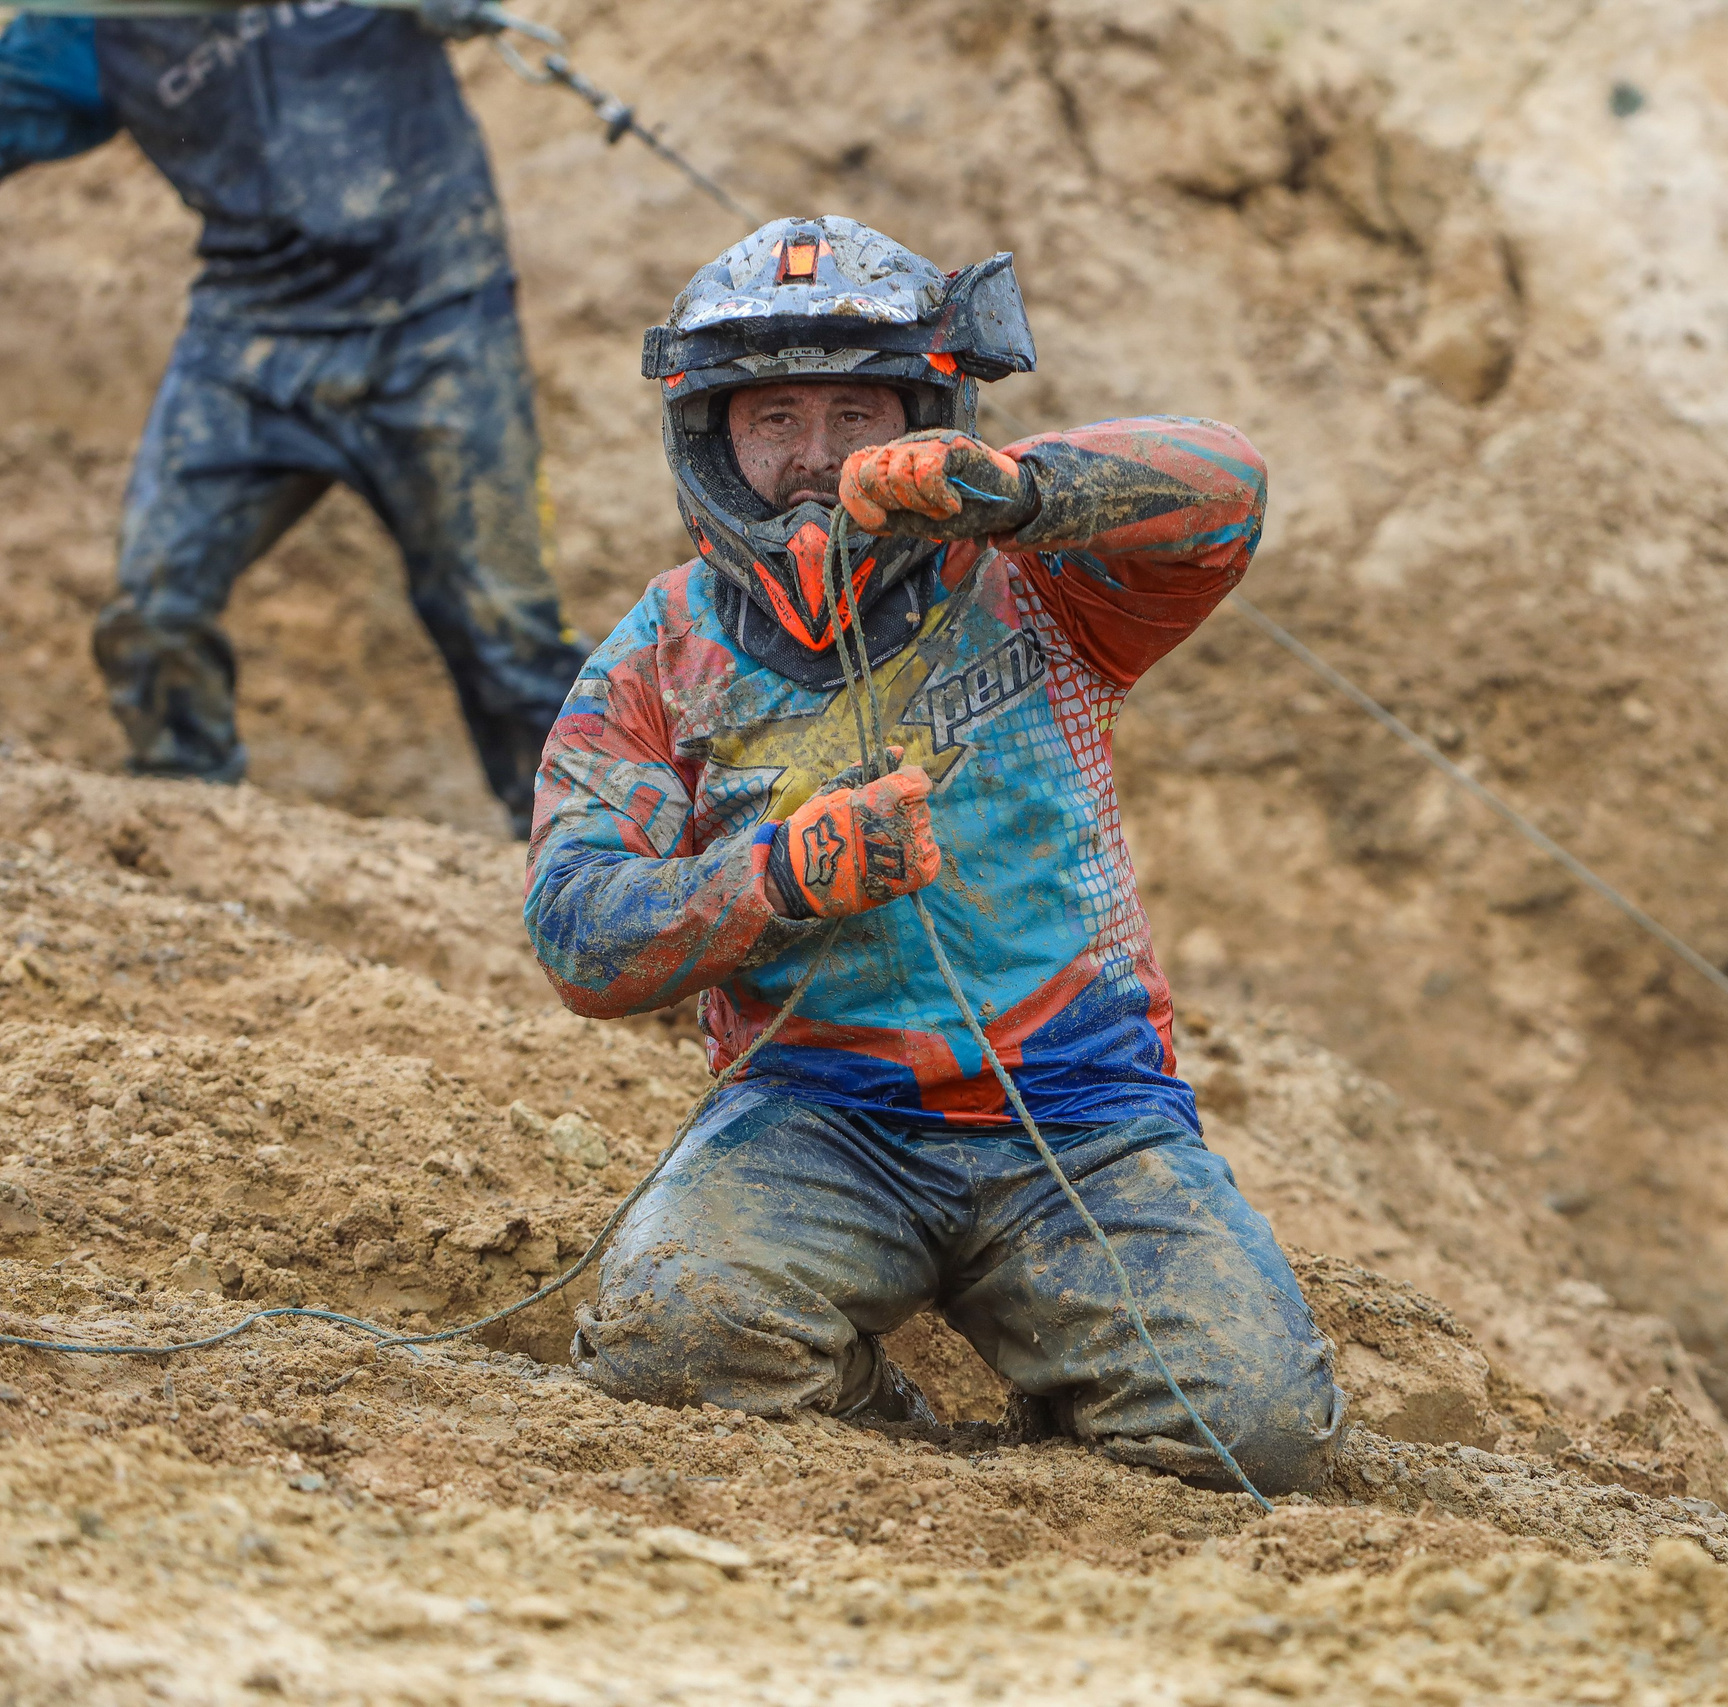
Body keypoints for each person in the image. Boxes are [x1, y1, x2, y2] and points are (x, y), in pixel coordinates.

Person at [523, 216, 1342, 1494]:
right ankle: (886, 1422)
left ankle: (1065, 1397)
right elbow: (576, 930)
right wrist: (774, 879)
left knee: (1257, 1433)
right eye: (775, 417)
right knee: (671, 1338)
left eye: (857, 413)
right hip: (810, 1116)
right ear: (711, 437)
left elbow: (1226, 485)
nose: (816, 455)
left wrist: (1022, 494)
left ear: (924, 413)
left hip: (1083, 1114)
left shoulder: (1043, 583)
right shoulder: (660, 651)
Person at [0, 0, 587, 835]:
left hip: (438, 312)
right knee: (153, 610)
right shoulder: (90, 22)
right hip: (251, 333)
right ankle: (184, 833)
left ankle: (578, 850)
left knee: (510, 630)